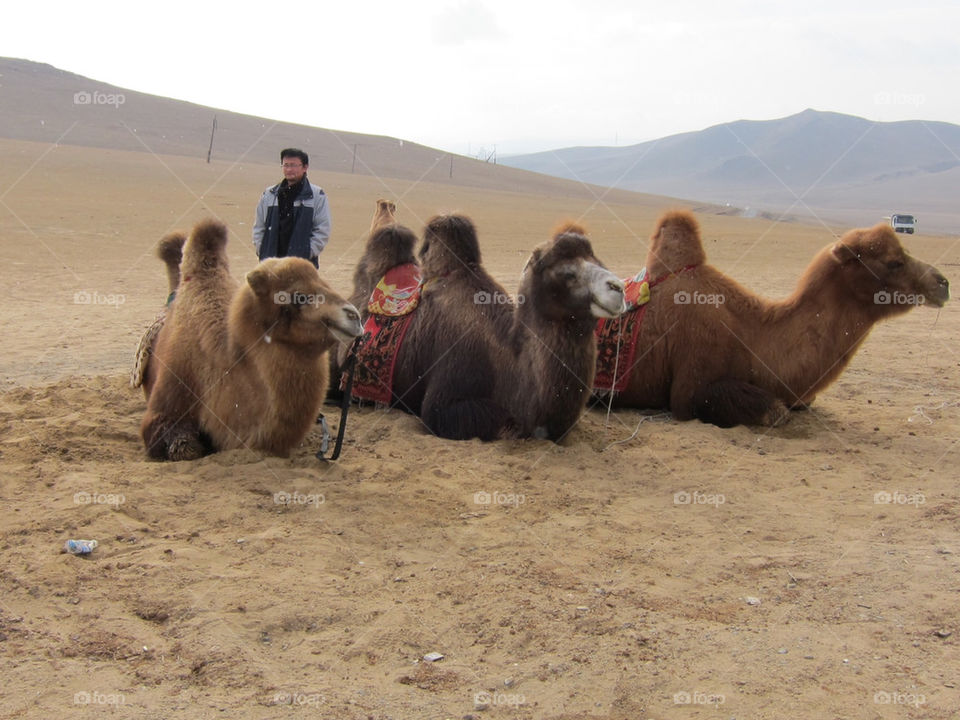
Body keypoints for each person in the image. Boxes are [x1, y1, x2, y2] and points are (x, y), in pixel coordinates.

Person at [252, 148, 331, 267]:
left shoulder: (316, 195)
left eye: (293, 165)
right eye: (286, 165)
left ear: (305, 167)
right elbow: (259, 227)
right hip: (270, 265)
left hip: (302, 267)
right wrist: (262, 251)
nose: (289, 169)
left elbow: (322, 230)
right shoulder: (269, 194)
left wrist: (306, 253)